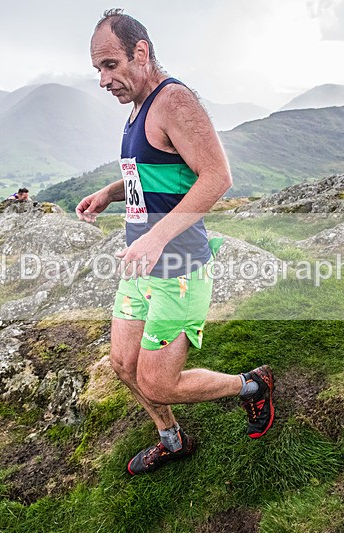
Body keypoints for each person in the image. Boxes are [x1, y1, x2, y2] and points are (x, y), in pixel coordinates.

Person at [76, 9, 274, 476]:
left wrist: (156, 237)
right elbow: (154, 176)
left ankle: (253, 386)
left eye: (110, 65)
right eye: (98, 69)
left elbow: (217, 177)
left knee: (159, 382)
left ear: (140, 52)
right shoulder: (137, 107)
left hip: (179, 269)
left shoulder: (174, 101)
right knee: (123, 365)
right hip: (141, 265)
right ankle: (173, 439)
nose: (103, 80)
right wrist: (110, 193)